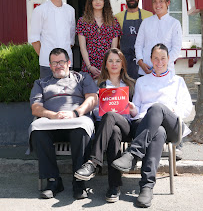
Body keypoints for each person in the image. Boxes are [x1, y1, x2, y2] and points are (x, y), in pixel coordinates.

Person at [111, 43, 193, 208]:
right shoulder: (142, 81)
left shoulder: (177, 81)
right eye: (156, 58)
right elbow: (137, 110)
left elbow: (187, 108)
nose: (159, 61)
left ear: (169, 59)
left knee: (157, 108)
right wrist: (131, 108)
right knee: (158, 131)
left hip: (173, 125)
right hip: (148, 126)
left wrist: (169, 110)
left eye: (163, 58)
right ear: (151, 60)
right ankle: (146, 188)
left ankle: (133, 154)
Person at [28, 48, 98, 200]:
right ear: (50, 65)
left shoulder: (82, 77)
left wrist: (75, 113)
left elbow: (92, 98)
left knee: (81, 130)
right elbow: (36, 107)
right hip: (52, 121)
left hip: (76, 119)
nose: (58, 65)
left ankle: (79, 183)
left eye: (61, 62)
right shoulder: (41, 83)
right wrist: (53, 115)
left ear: (69, 63)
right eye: (54, 62)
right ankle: (53, 181)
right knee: (38, 131)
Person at [74, 48, 136, 203]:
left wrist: (131, 107)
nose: (114, 64)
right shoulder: (97, 84)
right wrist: (103, 106)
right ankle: (114, 187)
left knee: (112, 119)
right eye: (110, 61)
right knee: (113, 131)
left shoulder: (131, 84)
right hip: (106, 128)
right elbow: (94, 110)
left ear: (123, 64)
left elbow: (137, 113)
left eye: (117, 61)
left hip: (126, 125)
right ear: (105, 64)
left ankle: (93, 162)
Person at [29, 0, 75, 78]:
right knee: (48, 92)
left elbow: (71, 37)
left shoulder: (70, 10)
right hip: (47, 63)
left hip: (67, 63)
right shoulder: (40, 10)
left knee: (67, 92)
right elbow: (34, 39)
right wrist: (46, 57)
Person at [76, 0, 122, 79]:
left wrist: (106, 67)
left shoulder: (113, 21)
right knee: (90, 92)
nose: (98, 1)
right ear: (90, 2)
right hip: (89, 66)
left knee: (106, 92)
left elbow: (114, 48)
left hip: (108, 67)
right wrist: (89, 67)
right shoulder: (82, 21)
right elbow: (82, 47)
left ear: (105, 2)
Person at [135, 0, 182, 77]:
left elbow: (176, 49)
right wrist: (141, 63)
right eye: (154, 2)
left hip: (166, 72)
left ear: (168, 3)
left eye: (161, 1)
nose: (157, 5)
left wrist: (161, 65)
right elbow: (138, 45)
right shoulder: (146, 22)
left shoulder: (174, 23)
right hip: (146, 71)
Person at [115, 0, 152, 79]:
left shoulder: (149, 15)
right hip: (125, 62)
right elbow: (115, 43)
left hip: (144, 62)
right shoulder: (117, 17)